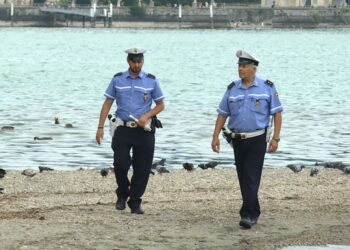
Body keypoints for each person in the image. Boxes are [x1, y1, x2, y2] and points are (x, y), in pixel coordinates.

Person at [211, 50, 283, 229]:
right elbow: (222, 114)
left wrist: (276, 138)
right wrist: (215, 136)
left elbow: (277, 113)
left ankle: (247, 215)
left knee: (251, 176)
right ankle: (255, 210)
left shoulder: (267, 87)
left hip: (257, 139)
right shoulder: (232, 88)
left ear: (253, 69)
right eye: (239, 66)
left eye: (244, 66)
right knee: (243, 177)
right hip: (237, 140)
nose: (240, 69)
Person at [96, 48, 165, 214]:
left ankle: (135, 201)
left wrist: (147, 115)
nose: (137, 64)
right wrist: (100, 127)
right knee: (120, 164)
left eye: (139, 61)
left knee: (142, 168)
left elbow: (161, 105)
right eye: (134, 61)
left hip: (144, 130)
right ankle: (122, 193)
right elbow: (107, 103)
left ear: (143, 61)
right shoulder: (118, 79)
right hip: (122, 128)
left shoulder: (151, 81)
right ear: (128, 61)